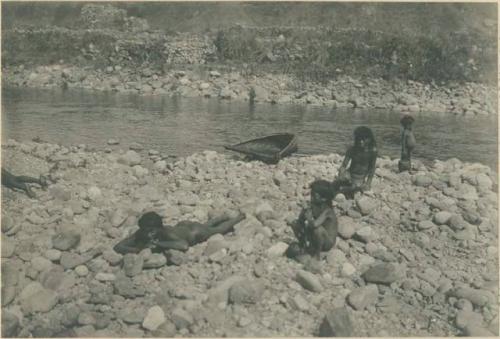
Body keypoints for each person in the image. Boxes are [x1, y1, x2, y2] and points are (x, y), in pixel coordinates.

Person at [114, 211, 246, 255]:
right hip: (182, 227)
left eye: (151, 231)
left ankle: (239, 217)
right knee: (206, 226)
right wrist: (137, 250)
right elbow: (118, 246)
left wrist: (160, 244)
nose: (147, 234)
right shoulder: (143, 232)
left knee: (217, 230)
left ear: (158, 229)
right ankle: (220, 218)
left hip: (194, 232)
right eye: (145, 231)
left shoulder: (165, 234)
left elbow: (183, 246)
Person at [286, 179, 338, 259]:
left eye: (314, 196)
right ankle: (303, 245)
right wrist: (304, 212)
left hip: (327, 242)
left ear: (323, 199)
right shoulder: (313, 205)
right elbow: (301, 221)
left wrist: (309, 216)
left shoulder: (327, 211)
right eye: (311, 194)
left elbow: (314, 224)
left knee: (318, 230)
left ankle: (316, 255)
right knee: (294, 223)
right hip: (315, 235)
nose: (311, 197)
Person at [331, 126, 378, 199]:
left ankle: (345, 190)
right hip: (349, 174)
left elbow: (372, 168)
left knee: (354, 187)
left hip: (360, 177)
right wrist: (341, 173)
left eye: (363, 139)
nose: (361, 141)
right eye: (359, 139)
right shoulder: (352, 150)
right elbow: (344, 165)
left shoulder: (372, 152)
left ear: (369, 139)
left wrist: (368, 183)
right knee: (340, 181)